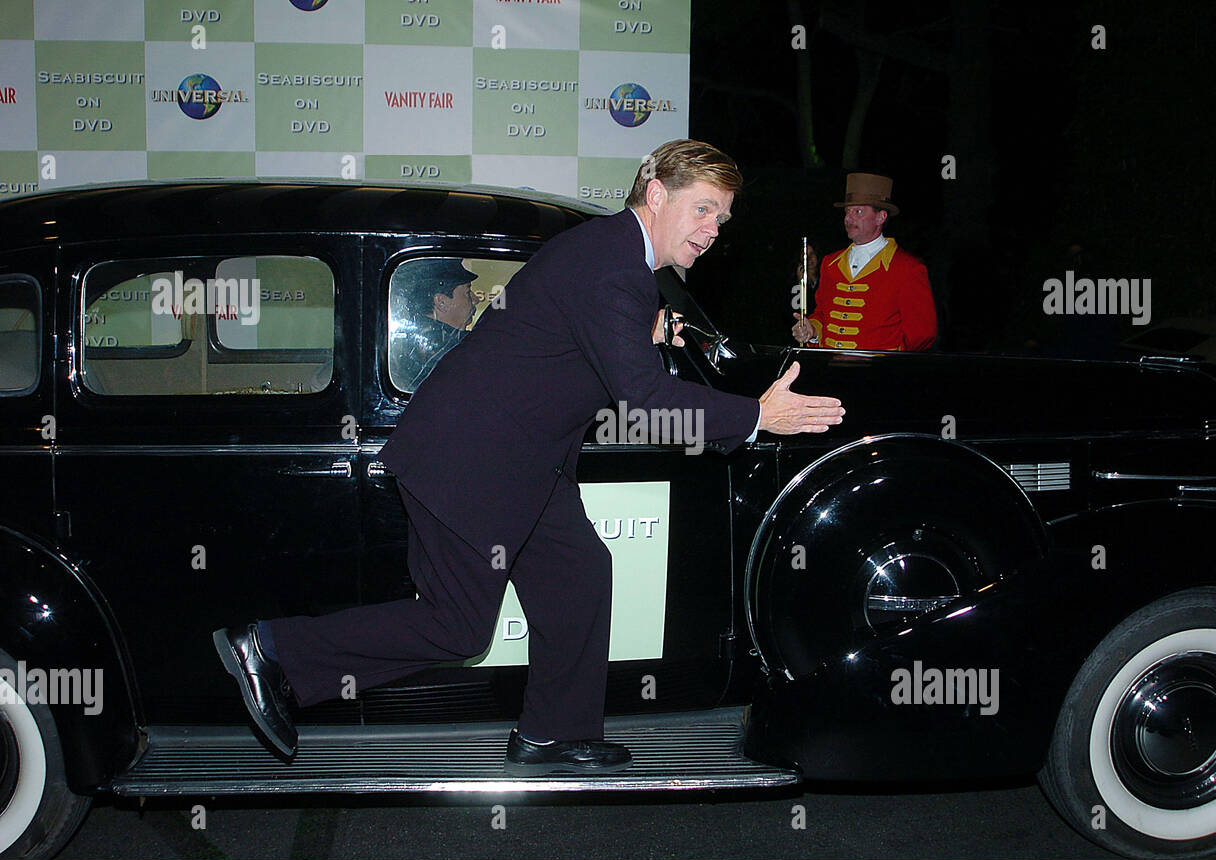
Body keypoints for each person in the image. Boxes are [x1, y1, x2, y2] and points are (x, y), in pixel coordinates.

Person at [213, 139, 845, 774]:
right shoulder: (614, 268)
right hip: (471, 460)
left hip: (523, 463)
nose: (711, 232)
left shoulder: (613, 256)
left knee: (579, 576)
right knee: (457, 627)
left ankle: (552, 733)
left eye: (721, 220)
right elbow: (645, 399)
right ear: (656, 195)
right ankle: (270, 649)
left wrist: (645, 335)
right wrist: (760, 415)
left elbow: (572, 339)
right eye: (703, 210)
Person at [792, 173, 937, 351]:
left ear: (880, 217)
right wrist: (812, 330)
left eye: (858, 211)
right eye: (847, 211)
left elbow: (922, 335)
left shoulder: (908, 268)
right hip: (831, 371)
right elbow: (822, 315)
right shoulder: (830, 264)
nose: (848, 218)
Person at [389, 259, 482, 390]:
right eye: (467, 293)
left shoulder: (414, 346)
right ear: (441, 302)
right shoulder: (450, 350)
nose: (476, 299)